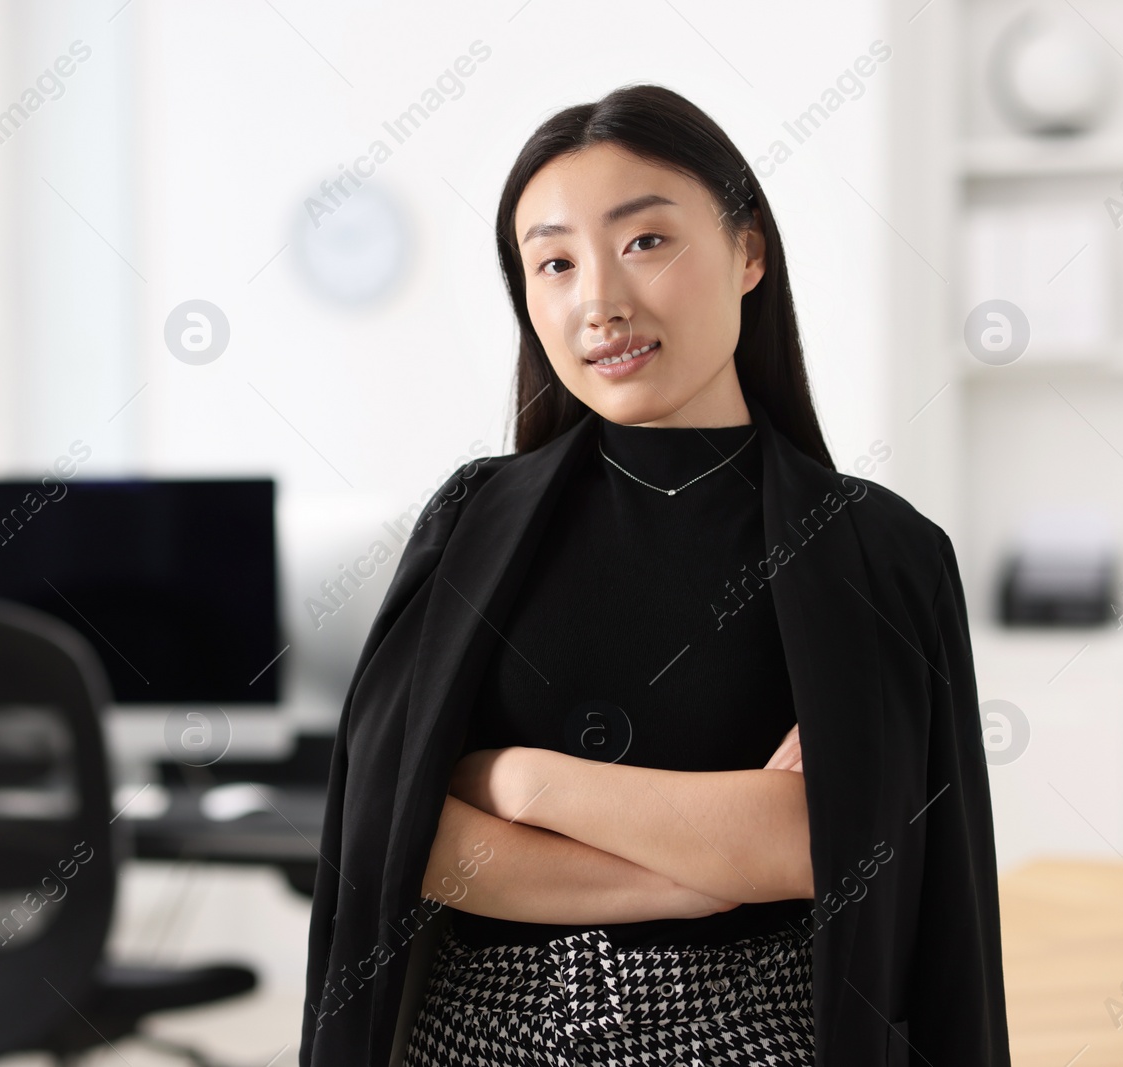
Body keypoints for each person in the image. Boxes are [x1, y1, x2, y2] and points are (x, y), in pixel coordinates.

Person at [300, 84, 1010, 1067]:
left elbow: (820, 845)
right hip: (474, 1039)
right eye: (553, 262)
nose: (600, 301)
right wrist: (699, 871)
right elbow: (400, 844)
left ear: (747, 252)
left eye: (643, 242)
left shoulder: (872, 550)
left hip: (756, 1040)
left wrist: (517, 777)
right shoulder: (471, 521)